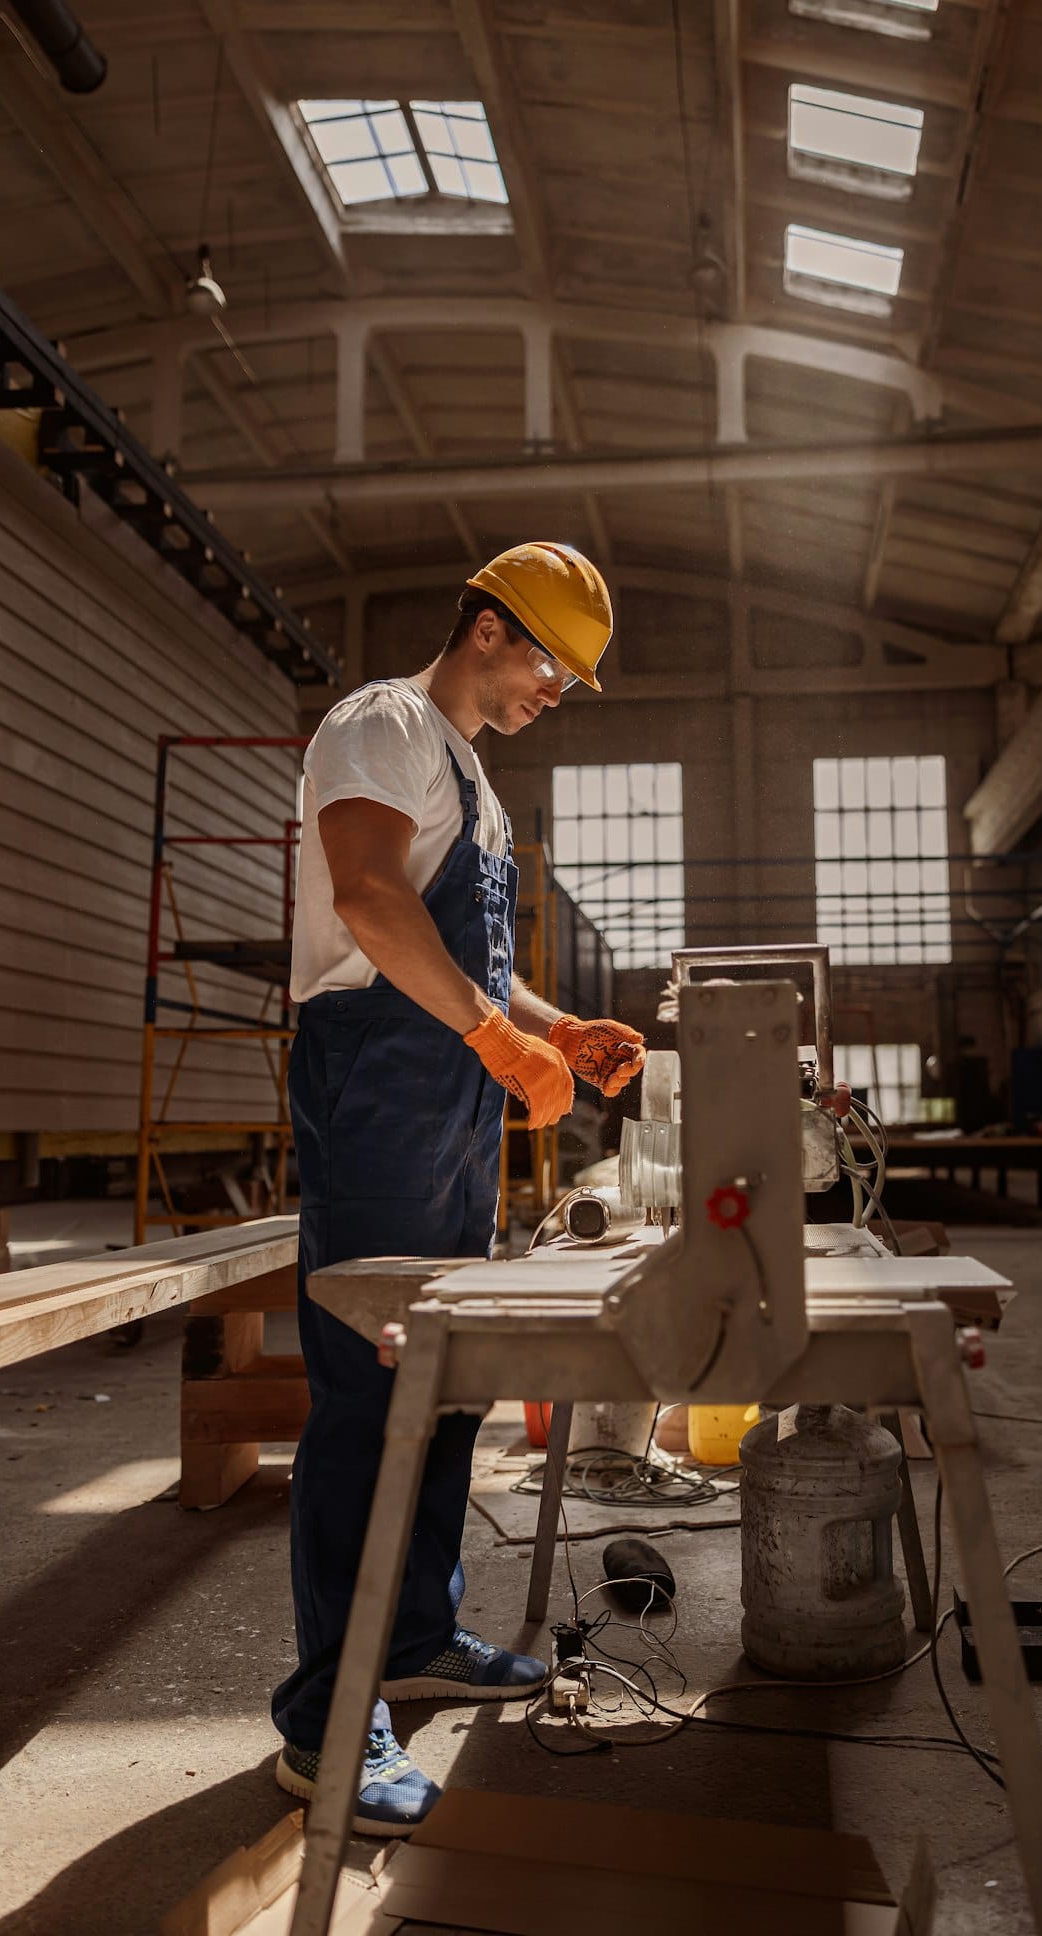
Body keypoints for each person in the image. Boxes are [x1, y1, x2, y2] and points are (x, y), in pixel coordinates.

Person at [272, 543, 647, 1833]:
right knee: (365, 1399)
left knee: (442, 1381)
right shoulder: (382, 725)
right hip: (379, 1079)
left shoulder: (473, 785)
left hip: (447, 1100)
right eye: (551, 661)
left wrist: (563, 1027)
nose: (559, 689)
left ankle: (414, 1634)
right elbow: (373, 901)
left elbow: (464, 950)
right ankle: (326, 1718)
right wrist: (497, 1041)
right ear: (487, 627)